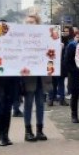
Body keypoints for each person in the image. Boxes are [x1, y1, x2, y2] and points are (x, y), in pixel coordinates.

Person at [21, 14, 50, 142]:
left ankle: (40, 130)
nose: (29, 24)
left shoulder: (44, 37)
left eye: (32, 22)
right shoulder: (21, 38)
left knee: (40, 104)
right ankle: (28, 131)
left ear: (37, 24)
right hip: (28, 76)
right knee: (28, 104)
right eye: (27, 22)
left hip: (41, 76)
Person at [63, 28, 79, 123]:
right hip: (74, 74)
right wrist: (74, 70)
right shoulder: (71, 46)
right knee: (75, 95)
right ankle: (74, 114)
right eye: (77, 36)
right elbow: (66, 62)